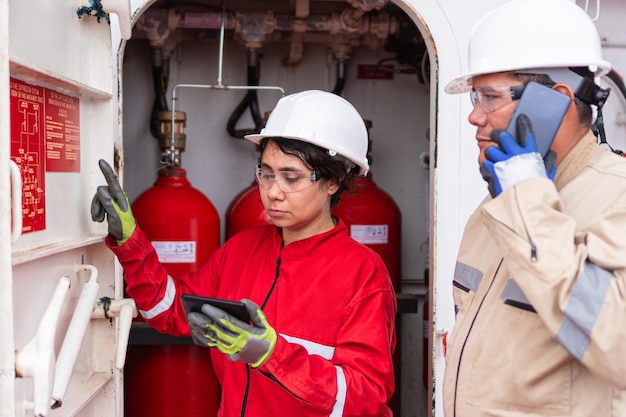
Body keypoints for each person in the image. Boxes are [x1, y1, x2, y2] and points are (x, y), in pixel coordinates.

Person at [91, 89, 397, 417]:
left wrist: (271, 354)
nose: (272, 192)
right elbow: (171, 312)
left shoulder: (363, 273)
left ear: (333, 181)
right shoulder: (243, 248)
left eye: (290, 177)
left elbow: (364, 398)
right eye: (266, 174)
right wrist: (129, 241)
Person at [442, 0, 626, 416]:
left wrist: (527, 201)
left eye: (489, 97)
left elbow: (619, 348)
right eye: (476, 97)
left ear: (555, 101)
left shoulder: (618, 196)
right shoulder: (497, 204)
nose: (474, 116)